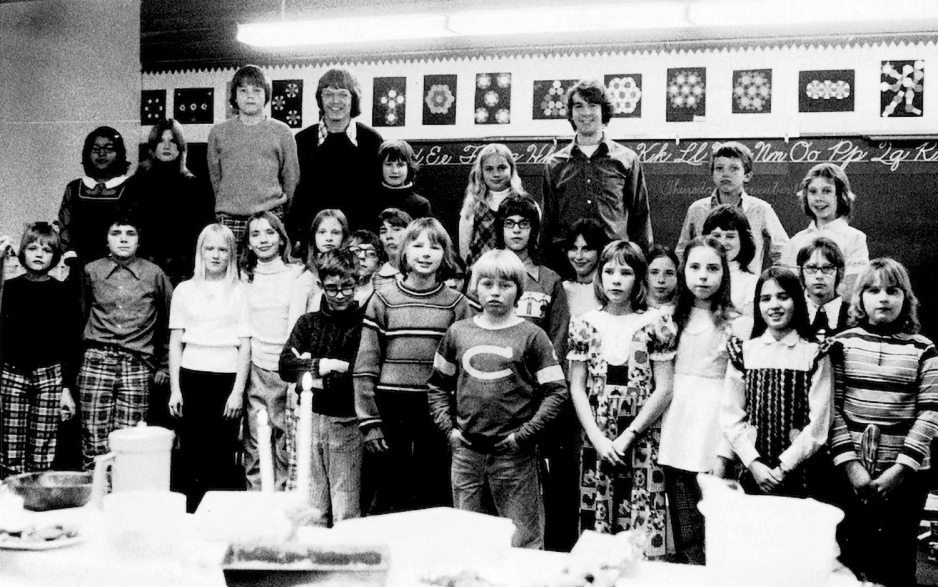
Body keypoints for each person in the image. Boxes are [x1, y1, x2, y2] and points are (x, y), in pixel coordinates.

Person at [428, 249, 568, 549]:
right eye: (487, 284)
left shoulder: (533, 336)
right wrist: (449, 430)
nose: (495, 292)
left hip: (514, 456)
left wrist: (523, 436)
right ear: (474, 286)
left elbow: (556, 391)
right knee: (466, 537)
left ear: (518, 289)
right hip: (466, 452)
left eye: (505, 285)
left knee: (524, 539)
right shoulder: (457, 333)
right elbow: (438, 386)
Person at [638, 236, 750, 564]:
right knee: (685, 527)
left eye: (712, 268)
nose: (703, 276)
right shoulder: (667, 318)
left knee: (717, 525)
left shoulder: (736, 322)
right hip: (674, 424)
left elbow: (736, 392)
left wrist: (725, 449)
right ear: (683, 271)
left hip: (715, 426)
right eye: (695, 267)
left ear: (724, 274)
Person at [829, 258, 938, 587]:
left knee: (897, 560)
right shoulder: (842, 344)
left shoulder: (924, 349)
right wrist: (852, 467)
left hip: (906, 477)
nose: (883, 298)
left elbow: (930, 411)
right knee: (847, 557)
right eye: (873, 290)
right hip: (851, 474)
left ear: (907, 298)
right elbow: (831, 410)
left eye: (893, 290)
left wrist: (900, 470)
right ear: (860, 298)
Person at [353, 217, 472, 513]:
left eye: (434, 246)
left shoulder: (457, 304)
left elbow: (464, 369)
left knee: (434, 495)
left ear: (445, 254)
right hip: (391, 409)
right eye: (417, 245)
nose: (425, 253)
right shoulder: (383, 300)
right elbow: (366, 366)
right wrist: (370, 424)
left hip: (437, 409)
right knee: (390, 497)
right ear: (404, 252)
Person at [567, 240, 676, 557]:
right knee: (599, 527)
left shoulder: (656, 323)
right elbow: (577, 386)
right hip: (599, 442)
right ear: (599, 277)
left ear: (639, 279)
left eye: (625, 272)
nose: (616, 280)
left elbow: (664, 388)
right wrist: (599, 439)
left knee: (641, 529)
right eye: (609, 271)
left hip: (642, 441)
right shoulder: (585, 324)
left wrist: (629, 435)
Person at [720, 267, 833, 498]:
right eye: (766, 298)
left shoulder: (814, 353)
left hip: (801, 475)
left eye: (783, 297)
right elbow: (731, 416)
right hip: (753, 474)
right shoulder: (744, 352)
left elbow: (819, 423)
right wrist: (754, 464)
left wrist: (783, 468)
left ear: (797, 301)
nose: (774, 305)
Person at [79, 217, 173, 471]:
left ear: (139, 239)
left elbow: (170, 322)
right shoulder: (91, 271)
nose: (123, 238)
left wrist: (164, 365)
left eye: (130, 233)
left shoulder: (154, 275)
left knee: (129, 441)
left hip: (136, 364)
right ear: (106, 239)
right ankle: (96, 500)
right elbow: (78, 317)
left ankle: (122, 500)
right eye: (116, 232)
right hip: (97, 360)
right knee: (94, 439)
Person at [280, 249, 367, 525]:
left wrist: (309, 370)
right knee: (313, 505)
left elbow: (353, 375)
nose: (340, 295)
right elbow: (285, 366)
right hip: (309, 419)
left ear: (358, 282)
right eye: (332, 289)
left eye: (347, 288)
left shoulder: (363, 324)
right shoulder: (308, 323)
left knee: (346, 505)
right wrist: (329, 364)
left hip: (346, 422)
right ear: (320, 286)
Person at [168, 224, 249, 510]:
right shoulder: (184, 290)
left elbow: (244, 345)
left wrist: (237, 393)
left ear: (231, 255)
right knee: (190, 452)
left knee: (221, 454)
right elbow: (176, 342)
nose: (215, 255)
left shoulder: (240, 291)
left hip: (226, 380)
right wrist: (175, 389)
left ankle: (218, 516)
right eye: (210, 248)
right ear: (200, 252)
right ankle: (190, 514)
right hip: (191, 378)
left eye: (222, 250)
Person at [542, 79, 652, 276]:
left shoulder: (627, 160)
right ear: (571, 113)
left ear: (604, 111)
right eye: (578, 106)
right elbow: (548, 222)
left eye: (592, 105)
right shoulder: (555, 164)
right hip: (568, 266)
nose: (585, 113)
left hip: (616, 265)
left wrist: (642, 264)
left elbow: (640, 217)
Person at [1, 223, 80, 476]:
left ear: (55, 256)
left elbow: (70, 343)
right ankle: (12, 504)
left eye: (46, 250)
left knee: (43, 447)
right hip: (12, 373)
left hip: (49, 376)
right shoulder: (10, 289)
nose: (38, 254)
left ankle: (38, 500)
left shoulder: (62, 291)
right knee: (11, 447)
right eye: (32, 248)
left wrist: (66, 387)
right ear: (22, 252)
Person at [240, 211, 311, 490]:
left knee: (286, 445)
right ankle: (257, 509)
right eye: (255, 234)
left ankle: (283, 509)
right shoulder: (244, 277)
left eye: (270, 232)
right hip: (257, 370)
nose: (263, 239)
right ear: (247, 242)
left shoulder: (297, 275)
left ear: (282, 239)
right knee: (256, 446)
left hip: (287, 372)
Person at [207, 65, 299, 247]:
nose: (250, 96)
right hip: (230, 218)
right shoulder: (218, 133)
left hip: (270, 216)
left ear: (266, 95)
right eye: (243, 90)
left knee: (269, 271)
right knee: (232, 272)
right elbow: (215, 178)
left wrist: (277, 211)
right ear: (234, 96)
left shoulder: (282, 132)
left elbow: (291, 178)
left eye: (257, 90)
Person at [292, 68, 384, 247]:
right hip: (313, 244)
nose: (335, 101)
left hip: (359, 245)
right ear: (320, 99)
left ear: (354, 99)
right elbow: (298, 199)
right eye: (328, 94)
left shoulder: (371, 140)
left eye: (343, 94)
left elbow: (377, 198)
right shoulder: (301, 141)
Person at [675, 141, 788, 273]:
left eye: (734, 168)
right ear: (712, 174)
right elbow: (682, 253)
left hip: (747, 288)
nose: (725, 174)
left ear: (747, 176)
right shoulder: (697, 210)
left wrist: (771, 282)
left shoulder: (761, 210)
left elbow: (784, 252)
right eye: (719, 168)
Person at [135, 118, 215, 286]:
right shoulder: (137, 184)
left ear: (180, 147)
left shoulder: (195, 186)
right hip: (145, 269)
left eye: (172, 141)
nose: (166, 146)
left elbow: (204, 234)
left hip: (185, 270)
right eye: (160, 141)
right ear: (152, 146)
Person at [494, 195, 569, 355]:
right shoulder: (484, 275)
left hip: (536, 371)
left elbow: (559, 338)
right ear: (501, 228)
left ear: (533, 229)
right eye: (509, 223)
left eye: (524, 224)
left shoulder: (550, 280)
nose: (516, 230)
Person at [58, 126, 140, 272]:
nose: (101, 154)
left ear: (119, 153)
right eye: (95, 149)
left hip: (121, 268)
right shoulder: (75, 188)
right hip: (81, 268)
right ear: (87, 154)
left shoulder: (132, 187)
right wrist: (71, 254)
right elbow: (65, 226)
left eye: (108, 149)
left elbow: (136, 229)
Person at [782, 163, 869, 295]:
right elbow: (789, 287)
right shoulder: (795, 242)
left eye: (827, 191)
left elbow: (854, 287)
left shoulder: (854, 238)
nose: (818, 198)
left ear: (841, 196)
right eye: (812, 192)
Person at [458, 143, 528, 269]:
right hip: (481, 276)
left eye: (502, 167)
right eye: (489, 169)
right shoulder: (472, 206)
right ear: (481, 172)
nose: (496, 174)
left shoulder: (526, 203)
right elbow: (464, 251)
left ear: (511, 169)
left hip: (514, 273)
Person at [701, 205, 758, 316]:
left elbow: (748, 325)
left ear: (743, 241)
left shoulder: (751, 283)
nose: (722, 242)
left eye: (730, 236)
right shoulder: (698, 276)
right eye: (716, 235)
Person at [798, 238, 851, 338]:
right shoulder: (793, 313)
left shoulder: (852, 315)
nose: (819, 276)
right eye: (812, 268)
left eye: (827, 268)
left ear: (840, 272)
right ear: (800, 271)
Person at [376, 140, 432, 223]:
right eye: (388, 164)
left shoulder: (421, 205)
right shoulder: (369, 201)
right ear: (381, 167)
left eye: (400, 165)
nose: (394, 171)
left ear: (409, 168)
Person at [562, 218, 609, 319]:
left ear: (600, 251)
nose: (578, 256)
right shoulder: (562, 289)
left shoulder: (609, 290)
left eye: (586, 249)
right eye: (573, 248)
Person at [373, 208, 412, 289]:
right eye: (383, 231)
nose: (389, 236)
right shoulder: (373, 279)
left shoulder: (426, 274)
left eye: (396, 229)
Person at [346, 230, 384, 307]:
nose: (361, 256)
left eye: (371, 253)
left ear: (379, 265)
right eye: (356, 251)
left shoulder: (382, 296)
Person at [646, 245, 680, 312]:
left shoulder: (684, 311)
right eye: (654, 272)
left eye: (669, 273)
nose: (661, 280)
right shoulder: (632, 308)